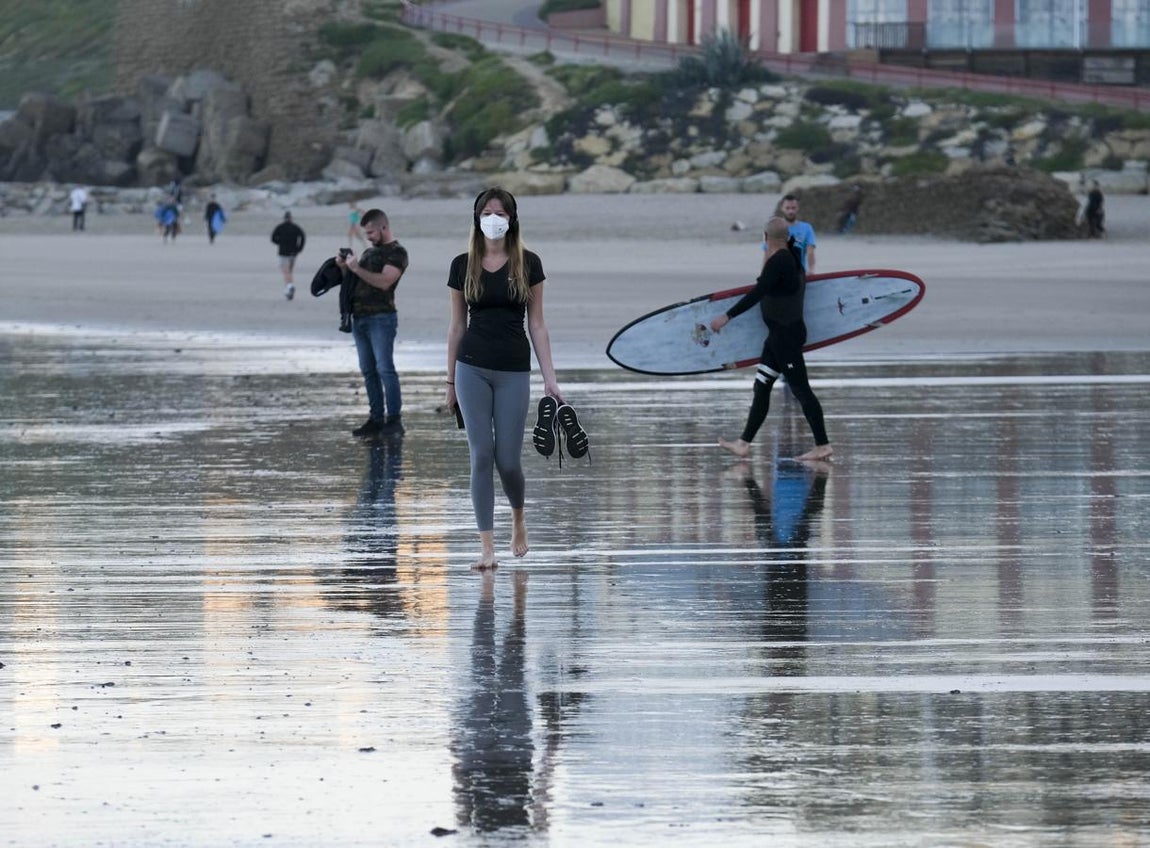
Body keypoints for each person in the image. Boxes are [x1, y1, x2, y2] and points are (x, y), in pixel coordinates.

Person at [445, 187, 564, 570]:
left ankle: (518, 519)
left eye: (500, 212)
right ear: (476, 218)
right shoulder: (462, 265)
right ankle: (487, 549)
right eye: (486, 212)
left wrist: (551, 380)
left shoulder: (529, 263)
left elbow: (539, 325)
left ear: (512, 219)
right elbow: (455, 326)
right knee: (481, 455)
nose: (493, 219)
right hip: (471, 368)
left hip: (514, 369)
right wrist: (450, 382)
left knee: (508, 460)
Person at [710, 216, 833, 462]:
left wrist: (727, 316)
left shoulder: (779, 261)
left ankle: (823, 445)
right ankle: (743, 444)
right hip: (778, 335)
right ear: (786, 238)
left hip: (785, 336)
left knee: (801, 389)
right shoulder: (793, 255)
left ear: (765, 239)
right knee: (762, 386)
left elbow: (758, 292)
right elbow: (793, 244)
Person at [335, 208, 409, 438]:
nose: (368, 236)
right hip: (360, 318)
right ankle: (376, 418)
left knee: (385, 369)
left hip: (381, 317)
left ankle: (394, 420)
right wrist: (344, 267)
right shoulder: (369, 253)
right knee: (368, 370)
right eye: (365, 233)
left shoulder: (397, 253)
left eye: (371, 232)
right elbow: (356, 280)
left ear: (384, 227)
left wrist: (357, 268)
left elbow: (385, 281)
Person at [270, 211, 306, 300]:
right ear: (291, 218)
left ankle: (290, 286)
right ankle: (288, 289)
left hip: (283, 252)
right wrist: (299, 248)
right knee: (290, 271)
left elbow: (273, 238)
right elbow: (302, 236)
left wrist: (280, 242)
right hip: (294, 253)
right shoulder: (296, 227)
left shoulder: (280, 227)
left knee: (285, 271)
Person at [778, 194, 816, 273]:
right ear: (782, 208)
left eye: (793, 208)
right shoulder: (775, 228)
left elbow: (810, 251)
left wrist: (811, 270)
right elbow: (768, 253)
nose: (790, 211)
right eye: (787, 208)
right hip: (779, 274)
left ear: (797, 208)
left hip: (799, 273)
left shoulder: (807, 228)